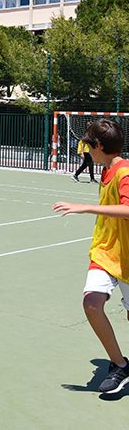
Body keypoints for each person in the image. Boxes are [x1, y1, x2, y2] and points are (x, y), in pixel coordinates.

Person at [53, 118, 129, 394]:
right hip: (104, 251)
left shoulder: (124, 172)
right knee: (92, 303)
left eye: (88, 145)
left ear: (98, 146)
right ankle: (120, 364)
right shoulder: (107, 169)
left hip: (126, 256)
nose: (86, 150)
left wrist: (85, 207)